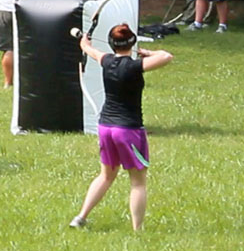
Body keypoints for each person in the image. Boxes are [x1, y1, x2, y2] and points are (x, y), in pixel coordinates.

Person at [70, 24, 173, 231]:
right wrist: (148, 52)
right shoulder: (134, 66)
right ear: (132, 42)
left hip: (105, 127)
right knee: (138, 183)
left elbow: (89, 49)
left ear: (112, 44)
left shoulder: (107, 61)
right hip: (128, 130)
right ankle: (138, 230)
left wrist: (84, 42)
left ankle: (80, 217)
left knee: (106, 176)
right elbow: (166, 56)